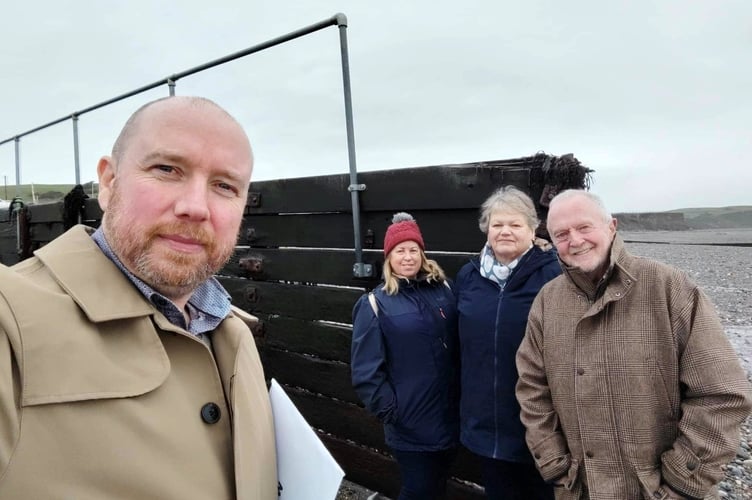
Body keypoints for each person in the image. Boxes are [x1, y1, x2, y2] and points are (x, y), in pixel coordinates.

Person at [0, 96, 277, 499]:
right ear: (109, 183)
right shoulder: (9, 322)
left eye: (224, 186)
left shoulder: (232, 332)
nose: (196, 207)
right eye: (167, 169)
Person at [515, 189, 752, 500]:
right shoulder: (548, 300)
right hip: (579, 489)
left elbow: (722, 394)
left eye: (584, 227)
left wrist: (681, 482)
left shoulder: (669, 286)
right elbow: (532, 388)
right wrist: (556, 465)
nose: (574, 240)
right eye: (562, 234)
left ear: (611, 226)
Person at [455, 185, 560, 499]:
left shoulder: (554, 276)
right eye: (497, 224)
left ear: (533, 229)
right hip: (485, 424)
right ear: (486, 229)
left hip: (539, 426)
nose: (505, 231)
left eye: (515, 224)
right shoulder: (468, 277)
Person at [351, 212, 459, 500]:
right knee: (418, 490)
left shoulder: (444, 290)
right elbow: (365, 372)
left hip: (450, 418)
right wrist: (394, 413)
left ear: (422, 254)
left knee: (436, 488)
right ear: (389, 257)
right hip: (410, 425)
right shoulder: (375, 303)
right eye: (400, 251)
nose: (408, 257)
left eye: (413, 250)